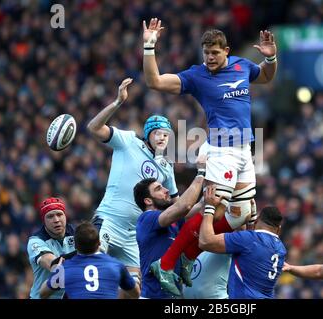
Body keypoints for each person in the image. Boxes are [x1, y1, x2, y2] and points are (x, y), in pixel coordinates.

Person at [142, 17, 276, 281]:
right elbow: (155, 81)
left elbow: (266, 76)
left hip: (245, 152)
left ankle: (186, 257)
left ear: (226, 50)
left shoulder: (242, 66)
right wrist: (149, 47)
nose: (210, 58)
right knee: (212, 210)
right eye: (206, 53)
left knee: (242, 214)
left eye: (215, 52)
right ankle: (166, 265)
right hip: (221, 151)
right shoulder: (197, 76)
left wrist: (271, 59)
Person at [87, 77, 178, 290]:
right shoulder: (128, 141)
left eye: (166, 134)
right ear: (148, 133)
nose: (163, 138)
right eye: (158, 133)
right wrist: (118, 102)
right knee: (91, 270)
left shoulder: (167, 167)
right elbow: (93, 128)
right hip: (108, 221)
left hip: (133, 235)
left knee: (135, 291)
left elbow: (176, 203)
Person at [134, 156, 206, 299]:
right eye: (159, 189)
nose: (166, 190)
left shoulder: (173, 221)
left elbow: (201, 206)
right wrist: (201, 172)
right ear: (148, 200)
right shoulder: (146, 219)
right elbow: (185, 205)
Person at [198, 186, 286, 299]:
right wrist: (252, 220)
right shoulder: (281, 249)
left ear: (258, 221)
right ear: (278, 229)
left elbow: (205, 241)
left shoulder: (249, 240)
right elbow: (252, 253)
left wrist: (209, 207)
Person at [40, 221, 139, 299]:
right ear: (99, 243)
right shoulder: (116, 265)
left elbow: (43, 294)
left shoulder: (65, 268)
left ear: (75, 245)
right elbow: (135, 293)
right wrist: (133, 274)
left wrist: (57, 271)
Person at [27, 197, 76, 299]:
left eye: (59, 214)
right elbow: (53, 265)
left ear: (65, 216)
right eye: (50, 216)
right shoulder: (35, 241)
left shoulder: (77, 233)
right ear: (43, 221)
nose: (56, 220)